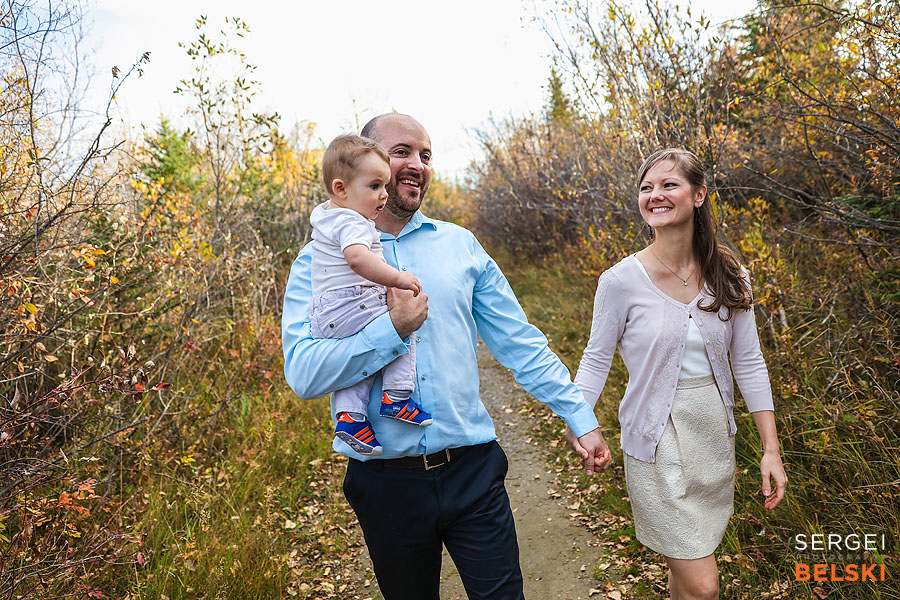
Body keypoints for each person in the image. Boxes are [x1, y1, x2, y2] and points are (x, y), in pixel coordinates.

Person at [282, 113, 610, 600]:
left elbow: (518, 341)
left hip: (473, 471)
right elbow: (305, 375)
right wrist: (391, 331)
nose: (417, 165)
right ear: (362, 165)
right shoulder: (318, 260)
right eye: (402, 153)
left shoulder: (461, 246)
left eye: (426, 155)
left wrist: (578, 414)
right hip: (385, 484)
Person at [567, 148, 787, 600]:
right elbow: (595, 359)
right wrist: (579, 422)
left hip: (711, 437)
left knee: (687, 579)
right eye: (647, 187)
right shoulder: (620, 281)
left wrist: (771, 449)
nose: (655, 195)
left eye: (669, 184)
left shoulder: (730, 275)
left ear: (699, 194)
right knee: (704, 584)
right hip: (654, 439)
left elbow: (748, 363)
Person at [310, 134, 431, 457]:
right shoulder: (353, 221)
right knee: (402, 327)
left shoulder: (328, 216)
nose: (383, 195)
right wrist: (398, 278)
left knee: (362, 358)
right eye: (375, 186)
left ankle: (351, 418)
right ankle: (397, 395)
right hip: (350, 300)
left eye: (385, 186)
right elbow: (358, 258)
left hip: (329, 313)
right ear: (341, 189)